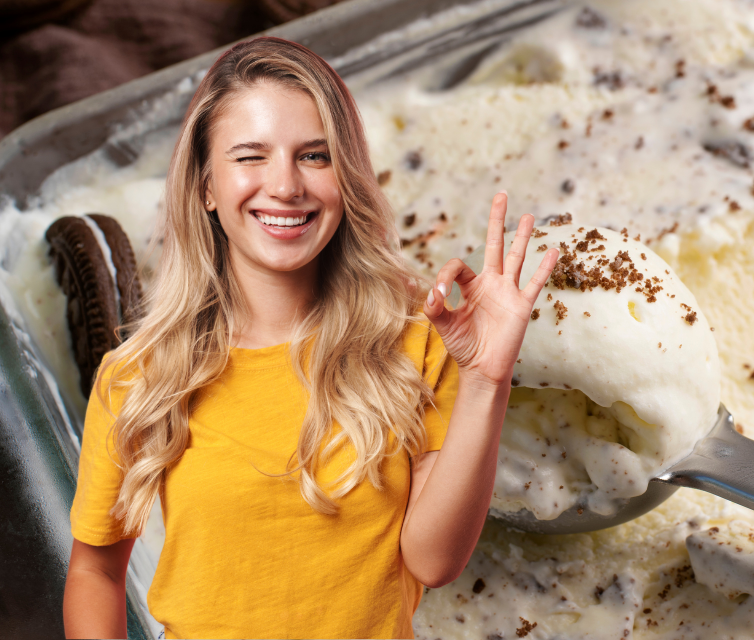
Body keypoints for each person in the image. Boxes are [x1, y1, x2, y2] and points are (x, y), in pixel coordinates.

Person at [61, 36, 559, 639]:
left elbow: (434, 561)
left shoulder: (416, 346)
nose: (286, 185)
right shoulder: (139, 376)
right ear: (205, 188)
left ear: (346, 178)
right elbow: (95, 572)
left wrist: (486, 380)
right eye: (250, 157)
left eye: (315, 156)